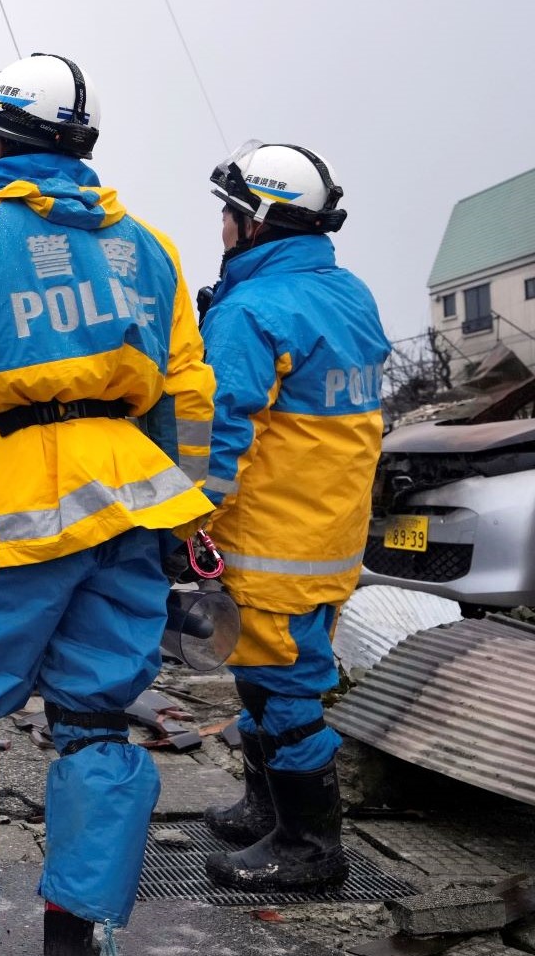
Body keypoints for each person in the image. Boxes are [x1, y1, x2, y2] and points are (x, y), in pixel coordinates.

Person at [0, 54, 216, 954]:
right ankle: (75, 933)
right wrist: (192, 512)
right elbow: (187, 393)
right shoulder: (150, 246)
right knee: (98, 718)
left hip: (7, 506)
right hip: (132, 500)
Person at [194, 142, 389, 892]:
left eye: (231, 212)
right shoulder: (351, 294)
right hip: (328, 537)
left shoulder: (252, 310)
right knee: (266, 674)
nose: (222, 225)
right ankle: (264, 808)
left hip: (271, 540)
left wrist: (184, 525)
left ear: (262, 221)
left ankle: (308, 846)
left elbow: (220, 438)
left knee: (285, 690)